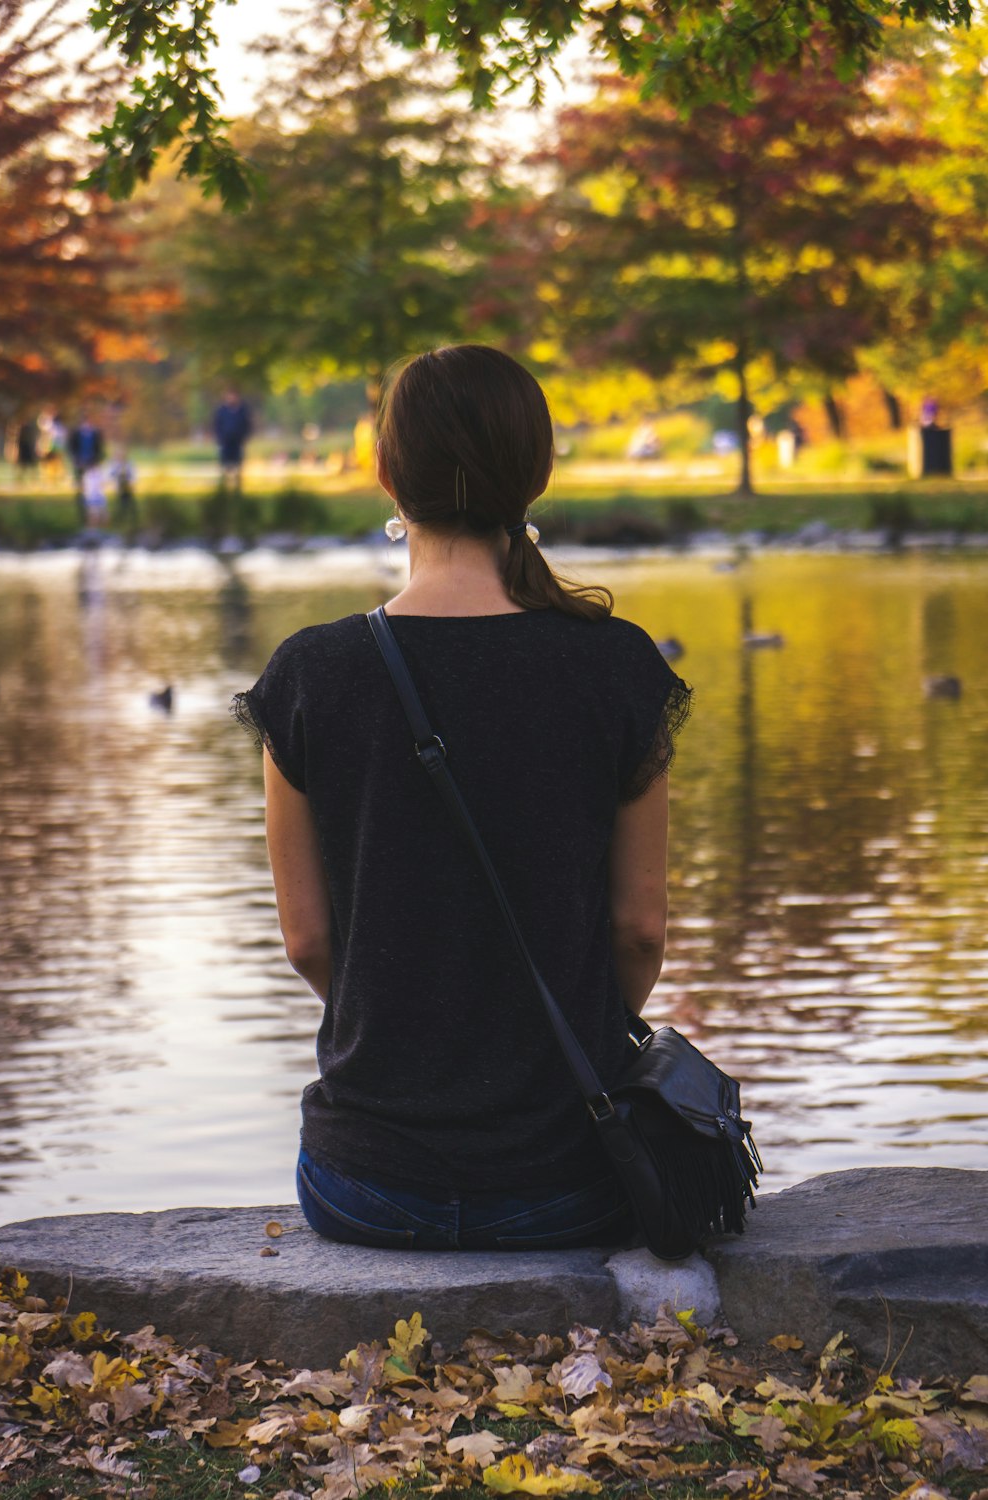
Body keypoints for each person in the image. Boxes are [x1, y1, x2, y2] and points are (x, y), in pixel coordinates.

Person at [233, 345, 691, 1251]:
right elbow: (640, 932)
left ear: (385, 474)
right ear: (535, 473)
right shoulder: (615, 666)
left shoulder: (311, 676)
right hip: (571, 1180)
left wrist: (406, 1032)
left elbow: (307, 941)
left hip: (366, 1185)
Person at [68, 412, 106, 526]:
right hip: (80, 463)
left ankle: (97, 519)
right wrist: (76, 460)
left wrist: (96, 461)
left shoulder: (96, 434)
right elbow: (72, 448)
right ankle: (83, 516)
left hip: (91, 463)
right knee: (81, 490)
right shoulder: (75, 434)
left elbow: (99, 449)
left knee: (95, 490)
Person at [213, 388, 252, 491]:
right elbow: (217, 425)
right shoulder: (221, 411)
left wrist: (245, 437)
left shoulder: (242, 410)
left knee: (238, 465)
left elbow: (247, 425)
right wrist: (219, 438)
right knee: (224, 465)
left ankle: (238, 487)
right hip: (225, 442)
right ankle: (223, 487)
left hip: (238, 442)